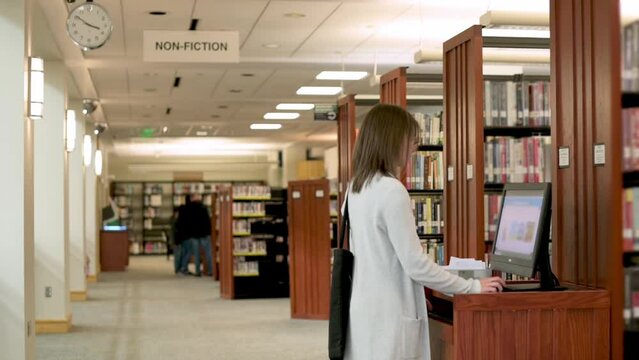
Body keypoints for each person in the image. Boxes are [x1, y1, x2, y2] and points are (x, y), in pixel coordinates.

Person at [343, 104, 505, 360]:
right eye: (410, 140)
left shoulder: (355, 190)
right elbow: (415, 264)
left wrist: (414, 296)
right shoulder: (391, 191)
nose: (413, 148)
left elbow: (378, 257)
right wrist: (471, 287)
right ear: (392, 140)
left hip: (365, 312)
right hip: (390, 319)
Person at [175, 193, 213, 277]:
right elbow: (207, 221)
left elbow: (188, 223)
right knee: (208, 253)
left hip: (194, 235)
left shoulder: (187, 209)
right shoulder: (203, 208)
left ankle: (197, 271)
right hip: (204, 234)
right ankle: (211, 270)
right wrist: (209, 232)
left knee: (196, 254)